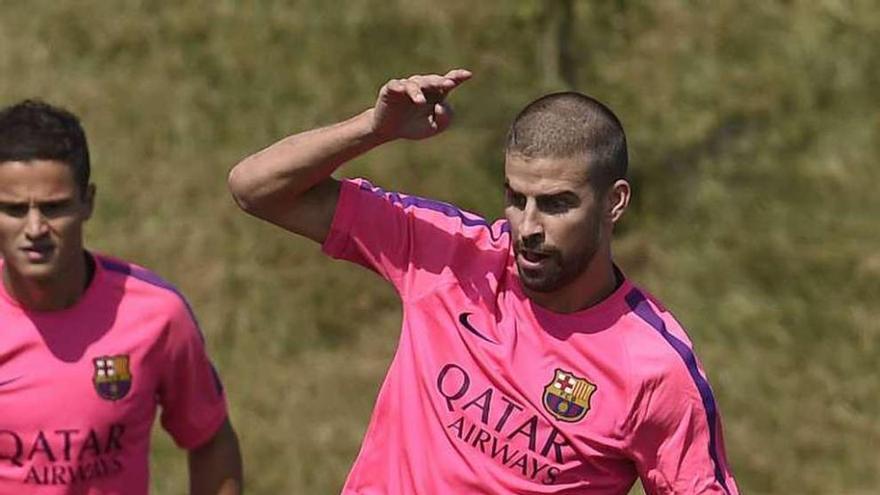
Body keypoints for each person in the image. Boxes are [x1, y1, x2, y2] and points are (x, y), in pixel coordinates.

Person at [228, 70, 739, 494]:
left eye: (557, 203)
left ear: (615, 203)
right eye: (517, 199)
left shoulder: (656, 370)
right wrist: (374, 128)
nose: (529, 227)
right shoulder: (450, 253)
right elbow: (257, 188)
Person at [0, 100, 243, 495]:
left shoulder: (155, 314)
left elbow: (210, 438)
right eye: (13, 209)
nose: (35, 228)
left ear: (87, 202)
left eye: (54, 207)